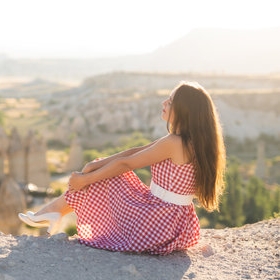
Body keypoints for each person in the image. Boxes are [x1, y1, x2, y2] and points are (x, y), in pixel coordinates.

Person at [19, 81, 226, 255]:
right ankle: (53, 211)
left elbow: (126, 164)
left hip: (158, 221)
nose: (164, 103)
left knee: (111, 176)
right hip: (176, 222)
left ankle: (52, 211)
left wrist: (85, 179)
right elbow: (136, 151)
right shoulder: (188, 141)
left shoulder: (174, 143)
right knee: (105, 170)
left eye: (170, 101)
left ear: (184, 111)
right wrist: (96, 164)